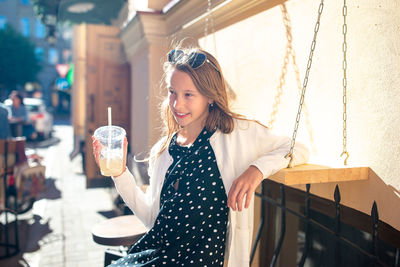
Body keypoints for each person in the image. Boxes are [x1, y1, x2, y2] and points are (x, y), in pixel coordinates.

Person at [92, 47, 309, 267]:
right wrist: (120, 174)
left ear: (210, 96)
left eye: (188, 95)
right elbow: (151, 219)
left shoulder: (237, 135)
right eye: (172, 92)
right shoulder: (164, 150)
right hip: (155, 254)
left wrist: (256, 170)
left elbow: (297, 148)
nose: (177, 104)